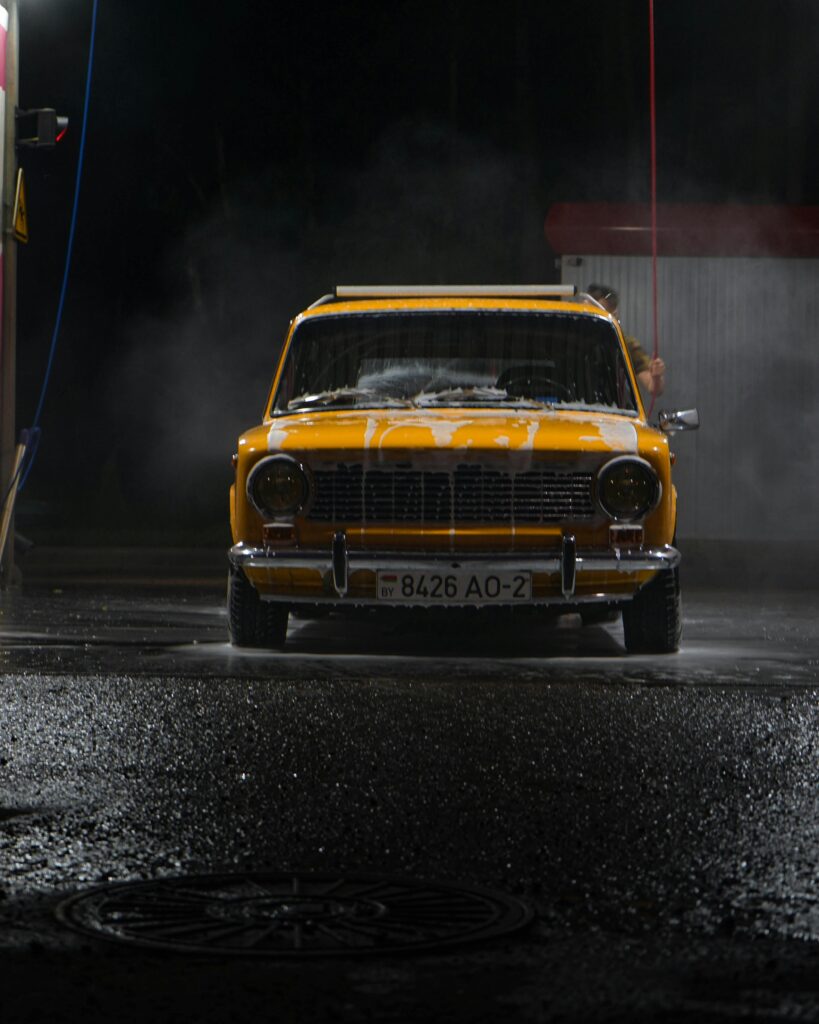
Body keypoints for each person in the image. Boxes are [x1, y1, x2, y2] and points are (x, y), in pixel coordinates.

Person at [587, 284, 665, 397]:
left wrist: (656, 377)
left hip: (612, 410)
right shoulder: (567, 340)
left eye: (599, 314)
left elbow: (654, 388)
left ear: (614, 315)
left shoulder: (625, 344)